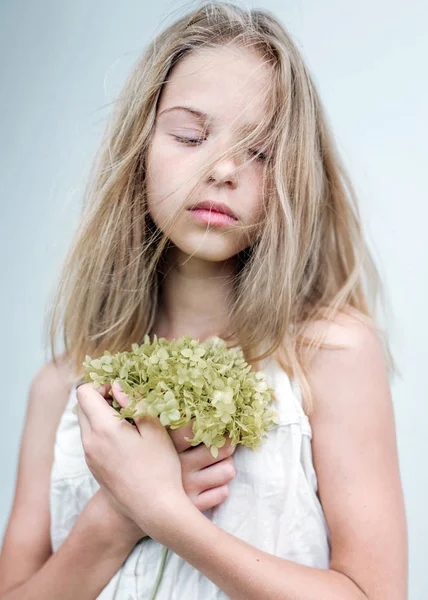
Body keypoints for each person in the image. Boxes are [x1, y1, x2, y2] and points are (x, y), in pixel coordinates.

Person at [0, 2, 408, 599]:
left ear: (294, 177)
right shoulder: (63, 388)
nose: (222, 168)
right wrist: (115, 517)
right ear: (140, 148)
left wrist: (164, 514)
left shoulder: (330, 355)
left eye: (262, 151)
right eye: (191, 136)